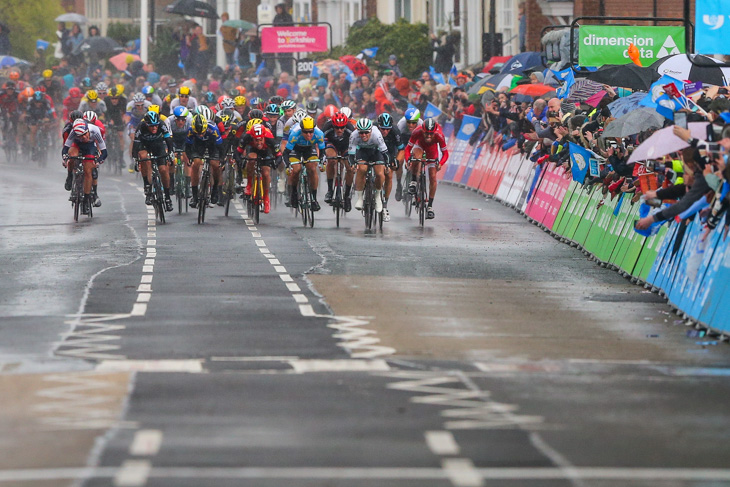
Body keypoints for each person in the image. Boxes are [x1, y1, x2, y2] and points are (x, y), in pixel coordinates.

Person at [404, 118, 449, 220]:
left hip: (432, 151)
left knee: (433, 177)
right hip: (419, 146)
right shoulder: (417, 131)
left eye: (431, 134)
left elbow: (445, 153)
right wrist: (408, 161)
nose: (429, 136)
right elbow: (407, 149)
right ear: (422, 130)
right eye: (426, 133)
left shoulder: (439, 135)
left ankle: (430, 206)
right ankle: (414, 181)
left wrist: (440, 163)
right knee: (417, 157)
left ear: (434, 132)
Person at [62, 119, 107, 215]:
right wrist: (65, 158)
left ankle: (86, 200)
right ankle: (70, 176)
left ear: (88, 130)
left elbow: (104, 152)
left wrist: (98, 161)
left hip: (89, 146)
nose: (84, 137)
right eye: (81, 136)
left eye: (85, 134)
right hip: (77, 145)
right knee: (72, 155)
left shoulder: (94, 130)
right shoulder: (73, 133)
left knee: (88, 171)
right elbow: (65, 149)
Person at [133, 111, 174, 211]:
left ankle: (167, 197)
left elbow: (168, 140)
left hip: (158, 146)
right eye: (151, 126)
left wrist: (171, 153)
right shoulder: (141, 127)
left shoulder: (161, 124)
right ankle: (147, 185)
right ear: (146, 124)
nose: (154, 128)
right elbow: (135, 145)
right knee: (144, 157)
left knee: (163, 170)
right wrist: (135, 159)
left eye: (156, 126)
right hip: (144, 145)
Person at [283, 115, 325, 211]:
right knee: (296, 169)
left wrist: (322, 162)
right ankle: (293, 194)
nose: (309, 134)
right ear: (301, 130)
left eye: (311, 131)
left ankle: (314, 199)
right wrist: (287, 166)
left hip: (309, 148)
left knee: (312, 168)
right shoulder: (294, 134)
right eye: (305, 132)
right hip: (295, 149)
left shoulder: (319, 134)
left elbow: (322, 151)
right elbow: (286, 153)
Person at [349, 118, 390, 214]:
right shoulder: (354, 136)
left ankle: (377, 196)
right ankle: (360, 198)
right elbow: (351, 155)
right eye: (361, 133)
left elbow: (385, 153)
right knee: (361, 169)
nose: (363, 135)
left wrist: (387, 165)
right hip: (362, 152)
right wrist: (353, 164)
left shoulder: (377, 135)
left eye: (366, 132)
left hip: (376, 151)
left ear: (371, 130)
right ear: (358, 131)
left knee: (380, 174)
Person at [186, 113, 224, 208]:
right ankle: (195, 196)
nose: (200, 135)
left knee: (215, 165)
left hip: (212, 145)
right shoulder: (190, 130)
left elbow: (220, 146)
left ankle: (214, 192)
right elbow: (188, 146)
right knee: (196, 163)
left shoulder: (213, 129)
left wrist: (222, 159)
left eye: (202, 132)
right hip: (198, 145)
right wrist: (190, 157)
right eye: (198, 133)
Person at [323, 111, 355, 212]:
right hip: (332, 145)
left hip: (346, 146)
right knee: (332, 160)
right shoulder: (327, 127)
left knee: (350, 168)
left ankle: (347, 196)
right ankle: (330, 190)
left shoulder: (350, 129)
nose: (340, 130)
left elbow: (355, 145)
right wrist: (322, 157)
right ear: (333, 125)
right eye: (337, 128)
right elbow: (320, 143)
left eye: (342, 127)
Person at [376, 112, 405, 222]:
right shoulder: (373, 128)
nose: (385, 131)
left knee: (389, 174)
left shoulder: (395, 131)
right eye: (382, 129)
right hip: (376, 151)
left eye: (387, 129)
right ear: (378, 126)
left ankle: (385, 204)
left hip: (390, 151)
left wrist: (397, 160)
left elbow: (401, 149)